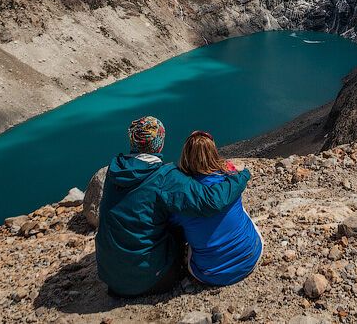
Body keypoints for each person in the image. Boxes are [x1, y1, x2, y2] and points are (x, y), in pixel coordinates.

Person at [95, 116, 251, 297]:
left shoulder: (115, 171)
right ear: (159, 142)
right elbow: (211, 201)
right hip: (150, 279)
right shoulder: (165, 177)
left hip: (111, 277)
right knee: (179, 223)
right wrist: (241, 177)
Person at [171, 130, 263, 286]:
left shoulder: (181, 194)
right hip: (251, 256)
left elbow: (171, 222)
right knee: (241, 211)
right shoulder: (230, 177)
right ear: (213, 152)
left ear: (186, 155)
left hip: (210, 274)